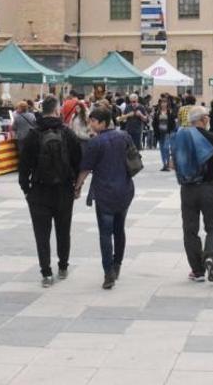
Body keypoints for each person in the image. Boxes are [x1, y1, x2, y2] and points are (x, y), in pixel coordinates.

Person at [19, 96, 82, 288]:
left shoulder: (33, 134)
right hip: (64, 189)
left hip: (39, 190)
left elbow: (23, 167)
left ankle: (46, 273)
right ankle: (63, 266)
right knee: (64, 230)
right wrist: (76, 186)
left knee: (41, 234)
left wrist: (27, 190)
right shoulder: (67, 133)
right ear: (56, 111)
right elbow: (78, 161)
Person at [75, 107, 134, 290]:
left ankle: (108, 272)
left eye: (93, 121)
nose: (91, 125)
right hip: (124, 189)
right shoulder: (124, 136)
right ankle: (117, 265)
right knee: (119, 229)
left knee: (105, 232)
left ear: (102, 122)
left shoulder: (96, 143)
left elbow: (85, 168)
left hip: (104, 192)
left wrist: (78, 186)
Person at [171, 106, 213, 283]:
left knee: (190, 230)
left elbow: (173, 164)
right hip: (208, 188)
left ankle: (197, 271)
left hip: (187, 189)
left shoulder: (180, 137)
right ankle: (210, 257)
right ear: (204, 119)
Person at [153, 98, 177, 171]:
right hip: (160, 133)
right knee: (162, 149)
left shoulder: (170, 112)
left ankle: (167, 163)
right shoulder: (157, 113)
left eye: (165, 103)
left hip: (167, 133)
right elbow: (154, 123)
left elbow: (173, 123)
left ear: (167, 104)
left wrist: (171, 131)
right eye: (162, 103)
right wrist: (156, 131)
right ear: (160, 104)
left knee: (166, 148)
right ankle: (164, 165)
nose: (163, 104)